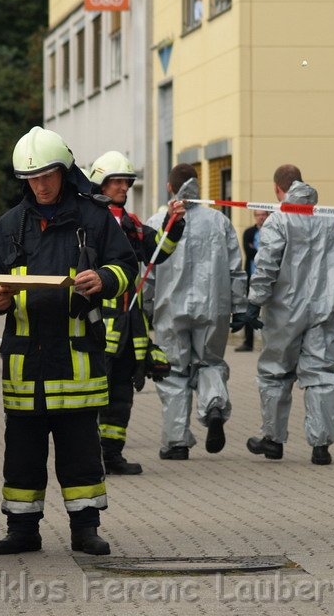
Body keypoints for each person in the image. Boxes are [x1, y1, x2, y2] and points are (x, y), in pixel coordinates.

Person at [0, 127, 137, 556]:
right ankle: (22, 531)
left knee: (81, 454)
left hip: (77, 360)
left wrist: (104, 278)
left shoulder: (94, 218)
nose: (41, 185)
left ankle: (86, 529)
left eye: (48, 175)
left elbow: (127, 266)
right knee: (22, 455)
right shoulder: (11, 225)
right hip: (25, 365)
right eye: (32, 178)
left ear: (64, 172)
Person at [242, 165, 334, 465]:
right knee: (321, 375)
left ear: (278, 189)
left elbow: (265, 265)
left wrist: (255, 302)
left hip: (284, 312)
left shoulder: (277, 220)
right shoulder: (333, 220)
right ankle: (321, 446)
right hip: (324, 310)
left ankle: (273, 439)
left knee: (275, 373)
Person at [88, 150, 186, 476]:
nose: (124, 187)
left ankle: (112, 456)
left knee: (121, 397)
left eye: (127, 182)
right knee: (92, 396)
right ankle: (88, 458)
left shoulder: (130, 223)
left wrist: (175, 224)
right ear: (100, 183)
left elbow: (158, 252)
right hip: (98, 325)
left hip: (130, 325)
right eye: (117, 181)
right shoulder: (89, 222)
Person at [145, 163, 246, 460]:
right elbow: (234, 267)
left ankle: (176, 442)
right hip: (213, 308)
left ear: (169, 187)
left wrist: (146, 307)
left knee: (174, 371)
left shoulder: (157, 222)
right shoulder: (219, 221)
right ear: (198, 185)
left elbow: (148, 270)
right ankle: (214, 405)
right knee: (210, 362)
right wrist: (239, 307)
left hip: (169, 309)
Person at [236, 210, 269, 352]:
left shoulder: (273, 232)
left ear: (268, 216)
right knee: (249, 310)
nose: (261, 217)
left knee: (270, 312)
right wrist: (263, 252)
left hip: (269, 278)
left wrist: (257, 250)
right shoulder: (249, 232)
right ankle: (248, 342)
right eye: (258, 215)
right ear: (255, 217)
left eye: (264, 215)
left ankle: (269, 345)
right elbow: (249, 253)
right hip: (252, 276)